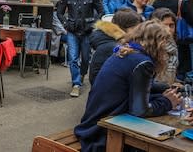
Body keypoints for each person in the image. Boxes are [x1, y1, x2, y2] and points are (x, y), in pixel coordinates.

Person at [74, 21, 182, 152]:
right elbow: (139, 111)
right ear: (158, 44)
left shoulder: (126, 52)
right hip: (102, 134)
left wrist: (165, 88)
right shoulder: (143, 62)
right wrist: (167, 102)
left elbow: (136, 85)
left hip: (91, 124)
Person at [57, 0, 104, 97]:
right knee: (73, 58)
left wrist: (94, 24)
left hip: (87, 32)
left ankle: (82, 73)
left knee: (86, 58)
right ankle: (76, 84)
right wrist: (66, 24)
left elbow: (101, 11)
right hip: (72, 31)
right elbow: (59, 13)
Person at [88, 8, 142, 85]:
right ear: (123, 28)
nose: (138, 33)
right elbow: (95, 77)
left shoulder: (122, 42)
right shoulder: (111, 47)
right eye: (134, 29)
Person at [151, 8, 178, 85]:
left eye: (171, 25)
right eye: (164, 25)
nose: (168, 29)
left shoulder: (172, 44)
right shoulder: (151, 46)